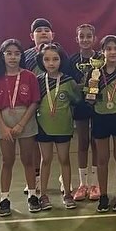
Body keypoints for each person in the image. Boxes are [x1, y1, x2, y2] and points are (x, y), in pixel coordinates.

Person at [0, 39, 40, 216]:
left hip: (25, 120)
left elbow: (34, 102)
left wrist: (21, 124)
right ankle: (4, 198)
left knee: (28, 160)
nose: (12, 57)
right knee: (7, 161)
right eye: (9, 53)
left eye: (17, 54)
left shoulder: (29, 76)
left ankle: (32, 195)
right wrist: (2, 127)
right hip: (4, 121)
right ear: (2, 56)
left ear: (21, 56)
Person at [35, 44, 80, 212]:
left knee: (64, 159)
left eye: (55, 59)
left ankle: (67, 194)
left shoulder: (69, 81)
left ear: (61, 60)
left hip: (63, 127)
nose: (51, 63)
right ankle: (43, 195)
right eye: (47, 59)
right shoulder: (39, 80)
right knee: (45, 160)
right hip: (44, 126)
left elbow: (77, 100)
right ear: (41, 61)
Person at [90, 36, 116, 213]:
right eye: (108, 49)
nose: (112, 52)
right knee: (102, 159)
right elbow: (90, 97)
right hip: (100, 117)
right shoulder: (94, 73)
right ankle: (104, 195)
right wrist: (90, 94)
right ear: (103, 52)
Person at [69, 23, 99, 201]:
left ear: (94, 38)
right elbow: (68, 83)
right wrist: (79, 88)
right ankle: (82, 184)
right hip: (80, 105)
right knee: (82, 142)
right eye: (82, 36)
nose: (85, 39)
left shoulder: (101, 58)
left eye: (89, 36)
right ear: (77, 39)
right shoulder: (72, 60)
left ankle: (94, 183)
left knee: (96, 143)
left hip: (97, 105)